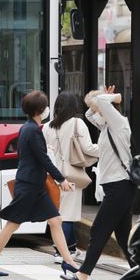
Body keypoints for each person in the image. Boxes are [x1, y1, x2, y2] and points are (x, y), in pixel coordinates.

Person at [0, 91, 76, 277]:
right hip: (28, 186)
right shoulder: (33, 130)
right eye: (45, 107)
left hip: (34, 185)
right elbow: (44, 160)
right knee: (13, 224)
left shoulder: (26, 128)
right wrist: (61, 179)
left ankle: (69, 262)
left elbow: (30, 156)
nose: (48, 109)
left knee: (55, 221)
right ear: (40, 110)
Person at [62, 86, 136, 280]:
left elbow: (103, 104)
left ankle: (83, 275)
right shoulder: (107, 127)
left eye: (97, 107)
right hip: (117, 187)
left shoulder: (119, 124)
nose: (95, 111)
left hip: (119, 186)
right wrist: (99, 101)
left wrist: (111, 97)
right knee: (122, 237)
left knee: (98, 230)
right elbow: (88, 114)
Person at [44, 92, 99, 263]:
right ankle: (61, 252)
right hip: (70, 175)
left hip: (52, 175)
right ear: (73, 107)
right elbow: (88, 148)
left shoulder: (47, 127)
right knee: (67, 214)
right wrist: (105, 149)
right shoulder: (77, 123)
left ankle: (72, 247)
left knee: (57, 212)